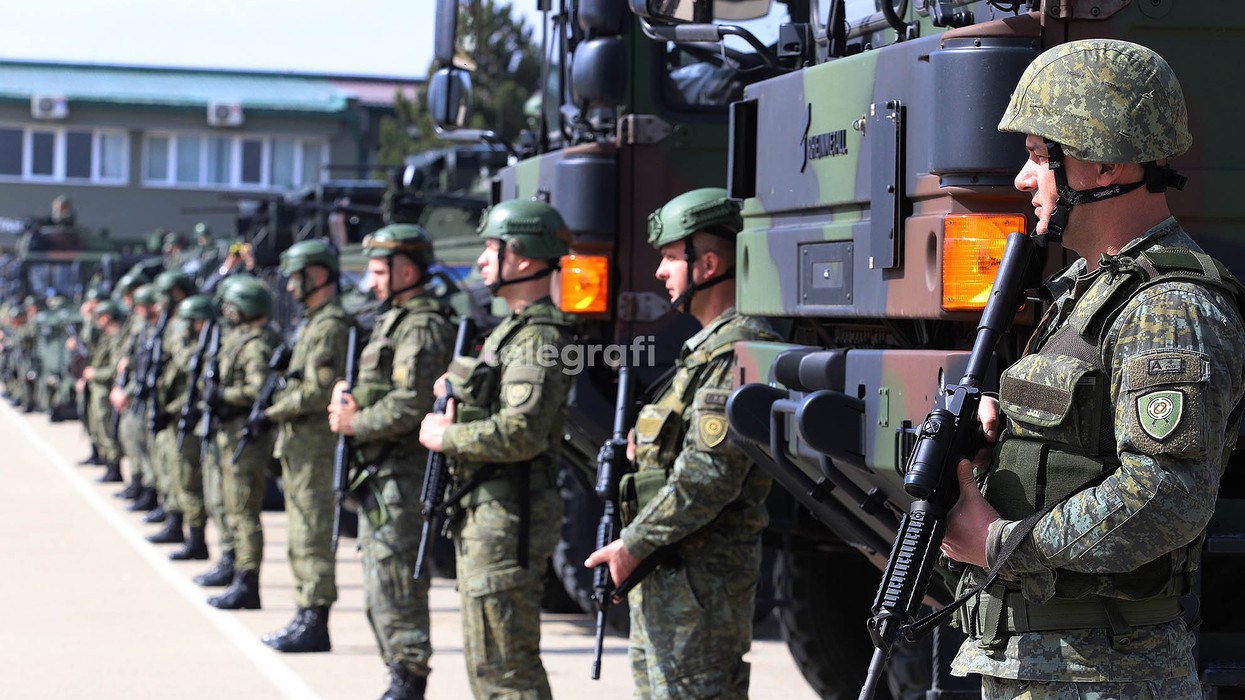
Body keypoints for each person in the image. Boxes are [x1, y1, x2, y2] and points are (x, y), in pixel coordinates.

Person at [939, 39, 1245, 699]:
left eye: (1037, 156)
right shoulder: (1086, 292)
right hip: (1049, 666)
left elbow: (1166, 496)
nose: (1023, 180)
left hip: (1105, 675)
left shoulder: (1167, 307)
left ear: (1102, 164)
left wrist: (1000, 544)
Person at [583, 188, 779, 698]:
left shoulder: (737, 351)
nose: (659, 271)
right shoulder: (705, 350)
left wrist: (634, 544)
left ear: (708, 264)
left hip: (700, 588)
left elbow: (707, 477)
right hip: (672, 577)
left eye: (671, 257)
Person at [419, 199, 574, 700]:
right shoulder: (514, 330)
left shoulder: (539, 337)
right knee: (489, 662)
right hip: (488, 510)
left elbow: (521, 431)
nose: (482, 260)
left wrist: (446, 436)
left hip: (509, 514)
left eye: (492, 248)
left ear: (523, 257)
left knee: (506, 669)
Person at [330, 225, 455, 699]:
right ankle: (399, 673)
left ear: (406, 272)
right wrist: (349, 396)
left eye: (380, 272)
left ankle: (408, 678)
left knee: (397, 582)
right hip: (381, 472)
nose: (372, 281)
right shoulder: (395, 320)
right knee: (380, 583)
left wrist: (354, 423)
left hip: (402, 473)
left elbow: (410, 404)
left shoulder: (421, 326)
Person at [261, 240, 351, 653]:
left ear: (316, 276)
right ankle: (304, 612)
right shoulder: (313, 323)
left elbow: (318, 390)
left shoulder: (330, 325)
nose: (290, 286)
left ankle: (315, 620)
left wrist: (273, 409)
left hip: (316, 447)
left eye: (297, 277)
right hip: (300, 447)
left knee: (312, 533)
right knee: (299, 533)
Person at [205, 277, 277, 610]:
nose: (227, 312)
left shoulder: (255, 346)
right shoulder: (240, 339)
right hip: (231, 433)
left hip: (246, 438)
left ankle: (247, 581)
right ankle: (235, 568)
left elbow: (257, 390)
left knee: (244, 512)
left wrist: (224, 395)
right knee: (231, 508)